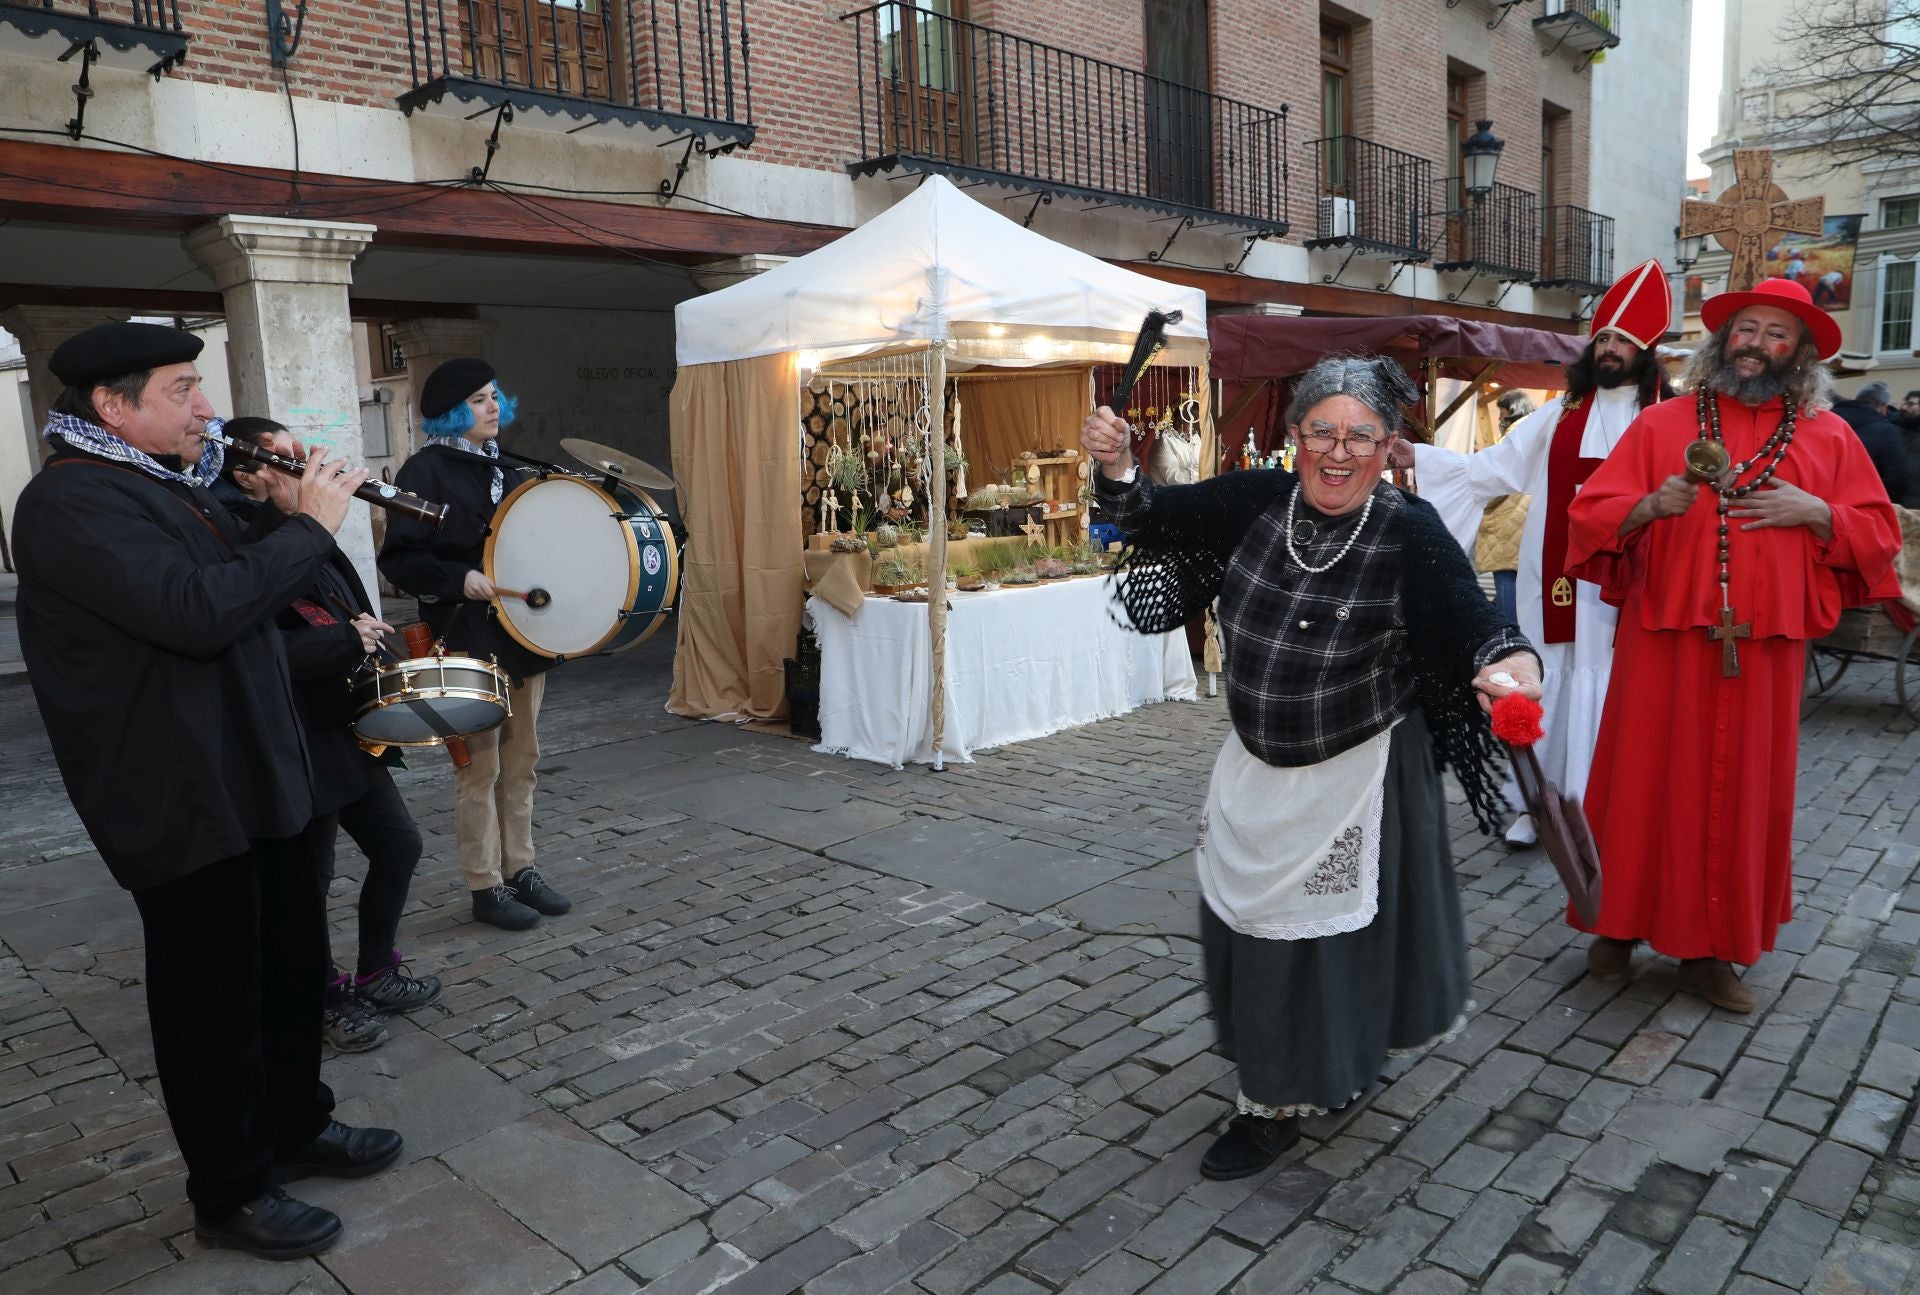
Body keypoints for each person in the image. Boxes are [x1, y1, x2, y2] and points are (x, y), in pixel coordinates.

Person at [1083, 355, 1543, 1180]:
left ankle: (1278, 1099)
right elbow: (1147, 514)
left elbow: (1471, 616)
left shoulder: (1409, 528)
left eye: (1360, 435)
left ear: (1388, 445)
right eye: (1321, 431)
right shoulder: (1257, 500)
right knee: (1260, 937)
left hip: (1360, 774)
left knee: (1332, 950)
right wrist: (1117, 464)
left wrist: (1510, 663)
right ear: (1293, 436)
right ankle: (1297, 1072)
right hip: (1257, 769)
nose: (1339, 451)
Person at [12, 322, 402, 1259]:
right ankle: (230, 1188)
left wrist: (278, 502)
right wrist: (308, 523)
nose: (208, 410)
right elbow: (198, 612)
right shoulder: (70, 503)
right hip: (180, 796)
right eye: (184, 389)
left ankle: (295, 1125)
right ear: (113, 406)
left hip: (260, 776)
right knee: (212, 1000)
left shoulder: (171, 487)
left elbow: (257, 593)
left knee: (291, 964)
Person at [1566, 278, 1902, 1012]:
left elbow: (1880, 533)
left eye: (1776, 334)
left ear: (1802, 353)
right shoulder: (1664, 425)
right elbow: (1590, 512)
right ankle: (1614, 926)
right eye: (1746, 328)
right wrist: (1649, 505)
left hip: (1766, 651)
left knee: (1742, 796)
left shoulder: (1830, 436)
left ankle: (1712, 951)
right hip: (1664, 639)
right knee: (1639, 781)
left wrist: (1821, 513)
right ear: (1724, 340)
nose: (1757, 343)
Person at [1391, 260, 1675, 848]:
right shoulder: (1559, 415)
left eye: (1623, 340)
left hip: (1630, 580)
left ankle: (1602, 806)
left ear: (1646, 351)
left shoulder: (1666, 422)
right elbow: (1489, 469)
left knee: (1614, 686)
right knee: (1546, 678)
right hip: (1561, 577)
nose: (1611, 349)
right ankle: (1534, 804)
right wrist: (1420, 458)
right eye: (1603, 337)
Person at [225, 417, 444, 1053]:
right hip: (292, 737)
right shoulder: (241, 538)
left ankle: (376, 968)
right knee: (306, 883)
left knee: (398, 846)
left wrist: (371, 636)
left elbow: (341, 600)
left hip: (341, 727)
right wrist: (340, 640)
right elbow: (259, 651)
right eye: (285, 462)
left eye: (302, 456)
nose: (304, 470)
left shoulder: (307, 535)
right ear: (248, 476)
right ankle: (320, 993)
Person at [379, 359, 568, 930]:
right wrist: (456, 578)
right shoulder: (425, 470)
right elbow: (401, 561)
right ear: (454, 412)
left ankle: (522, 868)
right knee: (479, 767)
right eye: (480, 400)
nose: (493, 408)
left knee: (524, 759)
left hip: (521, 636)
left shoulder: (511, 470)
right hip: (464, 637)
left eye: (494, 397)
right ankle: (485, 884)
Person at [1474, 390, 1539, 624]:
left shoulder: (1513, 436)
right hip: (1528, 518)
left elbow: (1496, 481)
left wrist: (1478, 496)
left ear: (1512, 410)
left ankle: (1509, 642)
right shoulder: (1536, 431)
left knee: (1507, 586)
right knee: (1526, 588)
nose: (1499, 418)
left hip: (1507, 522)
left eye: (1502, 412)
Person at [1831, 381, 1911, 505]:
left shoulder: (1829, 420)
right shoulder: (1886, 431)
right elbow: (1897, 477)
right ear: (1883, 407)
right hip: (1866, 505)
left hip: (1826, 504)